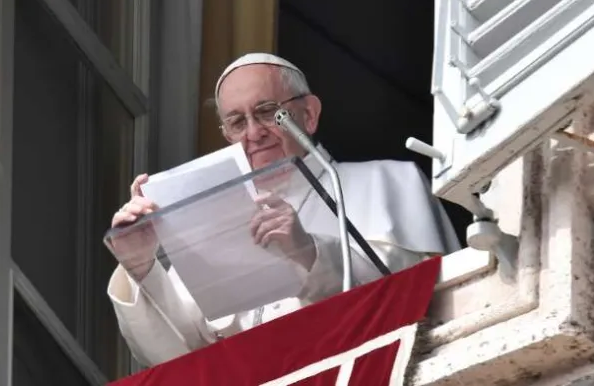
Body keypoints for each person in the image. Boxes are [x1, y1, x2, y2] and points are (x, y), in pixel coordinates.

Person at [107, 53, 461, 367]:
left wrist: (308, 252)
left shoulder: (388, 180)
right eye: (236, 122)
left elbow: (420, 296)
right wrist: (141, 267)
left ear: (308, 114)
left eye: (266, 112)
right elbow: (178, 358)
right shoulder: (208, 217)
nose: (253, 133)